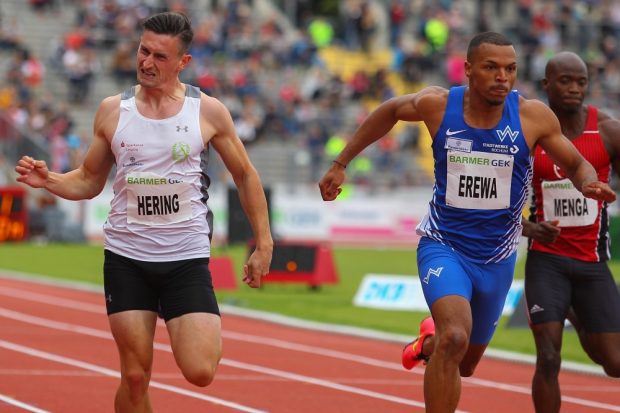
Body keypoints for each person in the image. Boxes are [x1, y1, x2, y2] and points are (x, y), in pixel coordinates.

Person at [318, 32, 616, 412]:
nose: (502, 77)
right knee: (456, 338)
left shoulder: (531, 116)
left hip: (497, 257)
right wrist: (341, 163)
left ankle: (427, 342)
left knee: (467, 362)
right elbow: (390, 110)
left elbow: (575, 162)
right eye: (491, 68)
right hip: (444, 245)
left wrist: (588, 181)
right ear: (469, 70)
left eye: (510, 69)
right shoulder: (438, 105)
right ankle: (441, 341)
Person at [15, 12, 273, 413]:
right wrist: (49, 180)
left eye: (160, 56)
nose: (147, 62)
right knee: (135, 376)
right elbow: (88, 180)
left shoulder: (207, 111)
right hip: (127, 256)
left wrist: (264, 242)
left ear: (183, 62)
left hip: (184, 256)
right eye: (143, 51)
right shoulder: (113, 110)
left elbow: (245, 174)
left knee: (201, 370)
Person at [522, 51, 620, 413]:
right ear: (547, 84)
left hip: (593, 264)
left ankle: (577, 315)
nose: (575, 89)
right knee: (548, 358)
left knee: (614, 363)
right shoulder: (529, 134)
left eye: (581, 81)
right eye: (565, 81)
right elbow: (499, 200)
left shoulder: (608, 131)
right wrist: (531, 228)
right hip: (547, 262)